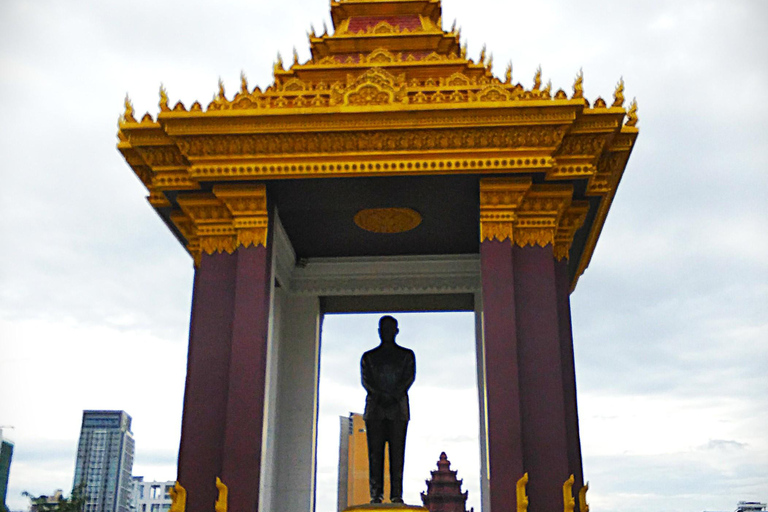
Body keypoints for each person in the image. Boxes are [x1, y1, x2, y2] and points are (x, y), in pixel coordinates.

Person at [361, 315, 416, 504]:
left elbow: (408, 378)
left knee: (397, 454)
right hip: (375, 410)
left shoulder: (406, 355)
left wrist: (392, 396)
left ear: (396, 331)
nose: (386, 333)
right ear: (379, 332)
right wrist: (381, 396)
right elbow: (366, 381)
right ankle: (376, 494)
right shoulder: (369, 357)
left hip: (398, 410)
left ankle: (396, 494)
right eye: (383, 329)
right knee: (374, 454)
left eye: (390, 329)